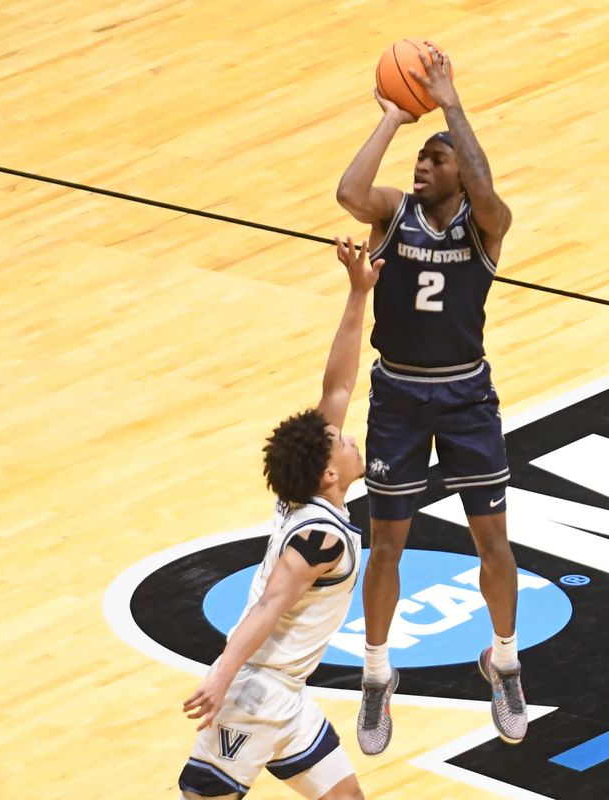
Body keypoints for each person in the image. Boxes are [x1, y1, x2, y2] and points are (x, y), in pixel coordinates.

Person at [335, 42, 525, 753]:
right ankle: (378, 676)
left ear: (461, 175)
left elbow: (484, 185)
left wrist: (449, 103)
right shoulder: (392, 216)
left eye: (434, 159)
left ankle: (504, 661)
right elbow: (349, 193)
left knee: (492, 541)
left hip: (466, 394)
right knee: (387, 545)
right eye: (421, 159)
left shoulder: (486, 225)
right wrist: (392, 119)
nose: (422, 166)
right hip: (400, 396)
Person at [177, 236, 383, 799]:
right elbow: (271, 604)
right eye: (340, 439)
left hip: (287, 694)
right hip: (254, 694)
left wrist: (356, 293)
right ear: (329, 474)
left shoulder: (307, 497)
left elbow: (338, 383)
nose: (348, 435)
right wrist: (221, 675)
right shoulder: (318, 535)